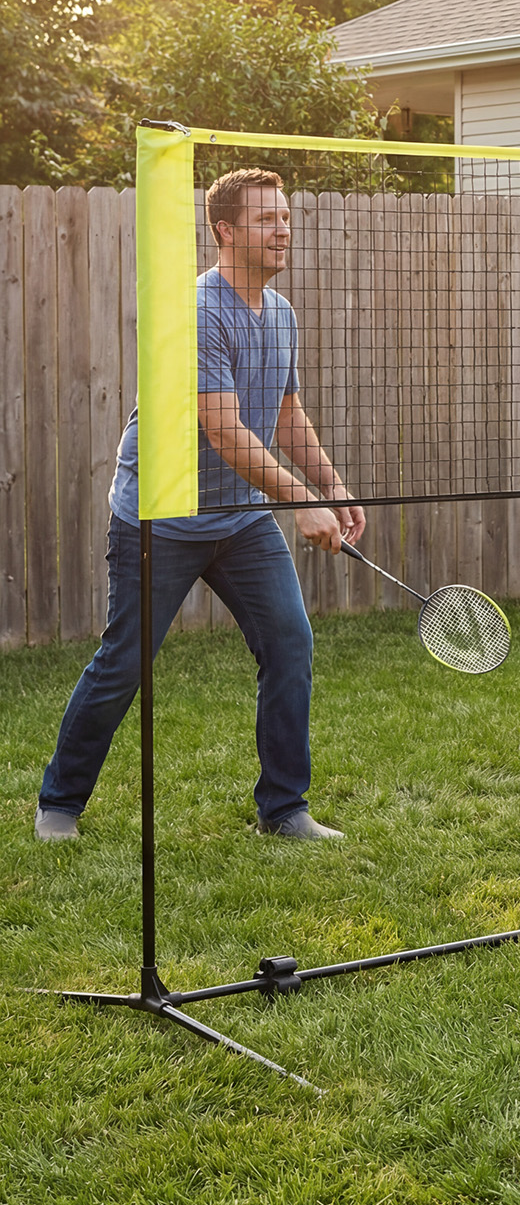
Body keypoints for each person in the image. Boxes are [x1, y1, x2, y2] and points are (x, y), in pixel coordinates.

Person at [35, 168, 363, 843]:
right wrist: (300, 501)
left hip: (240, 517)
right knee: (126, 661)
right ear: (225, 230)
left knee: (290, 643)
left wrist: (331, 486)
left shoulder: (281, 313)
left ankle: (284, 809)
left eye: (285, 217)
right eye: (266, 218)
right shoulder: (194, 310)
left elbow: (283, 411)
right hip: (163, 511)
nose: (282, 229)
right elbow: (225, 429)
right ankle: (60, 804)